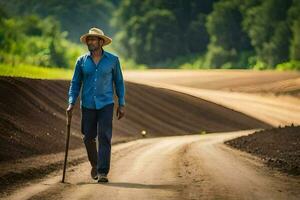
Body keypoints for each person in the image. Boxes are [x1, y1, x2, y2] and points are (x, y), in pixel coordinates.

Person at [66, 27, 126, 183]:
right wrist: (71, 102)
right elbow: (75, 83)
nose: (90, 42)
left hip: (106, 104)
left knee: (105, 137)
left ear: (101, 42)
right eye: (88, 39)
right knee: (88, 138)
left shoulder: (113, 60)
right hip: (87, 104)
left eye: (93, 39)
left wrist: (122, 103)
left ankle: (103, 172)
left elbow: (119, 82)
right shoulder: (81, 61)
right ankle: (95, 164)